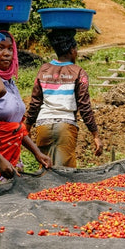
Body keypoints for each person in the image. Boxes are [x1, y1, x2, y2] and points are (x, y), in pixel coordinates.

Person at [0, 31, 51, 185]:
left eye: (10, 49)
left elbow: (16, 126)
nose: (6, 54)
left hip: (10, 157)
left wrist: (37, 153)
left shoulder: (9, 82)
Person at [25, 29, 103, 168]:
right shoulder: (78, 72)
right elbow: (84, 106)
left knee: (45, 168)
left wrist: (27, 127)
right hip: (65, 127)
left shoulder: (44, 69)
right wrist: (95, 135)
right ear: (72, 50)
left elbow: (35, 102)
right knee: (65, 174)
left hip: (43, 125)